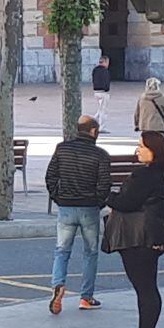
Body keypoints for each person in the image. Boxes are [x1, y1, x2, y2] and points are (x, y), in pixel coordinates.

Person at [104, 131, 164, 328]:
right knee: (147, 287)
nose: (138, 149)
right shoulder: (159, 174)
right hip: (150, 236)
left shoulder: (145, 176)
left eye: (142, 146)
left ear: (154, 150)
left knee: (144, 288)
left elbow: (127, 202)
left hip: (138, 237)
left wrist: (107, 196)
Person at [45, 115, 111, 314]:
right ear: (93, 131)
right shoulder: (101, 155)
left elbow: (50, 176)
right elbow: (104, 184)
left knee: (62, 250)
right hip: (89, 208)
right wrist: (98, 203)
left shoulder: (62, 148)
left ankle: (58, 284)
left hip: (66, 207)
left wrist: (58, 197)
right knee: (90, 253)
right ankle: (86, 297)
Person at [92, 56, 111, 133]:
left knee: (99, 110)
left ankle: (93, 122)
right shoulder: (105, 71)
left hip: (96, 92)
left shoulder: (95, 70)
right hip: (103, 92)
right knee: (103, 111)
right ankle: (101, 127)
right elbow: (107, 82)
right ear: (105, 62)